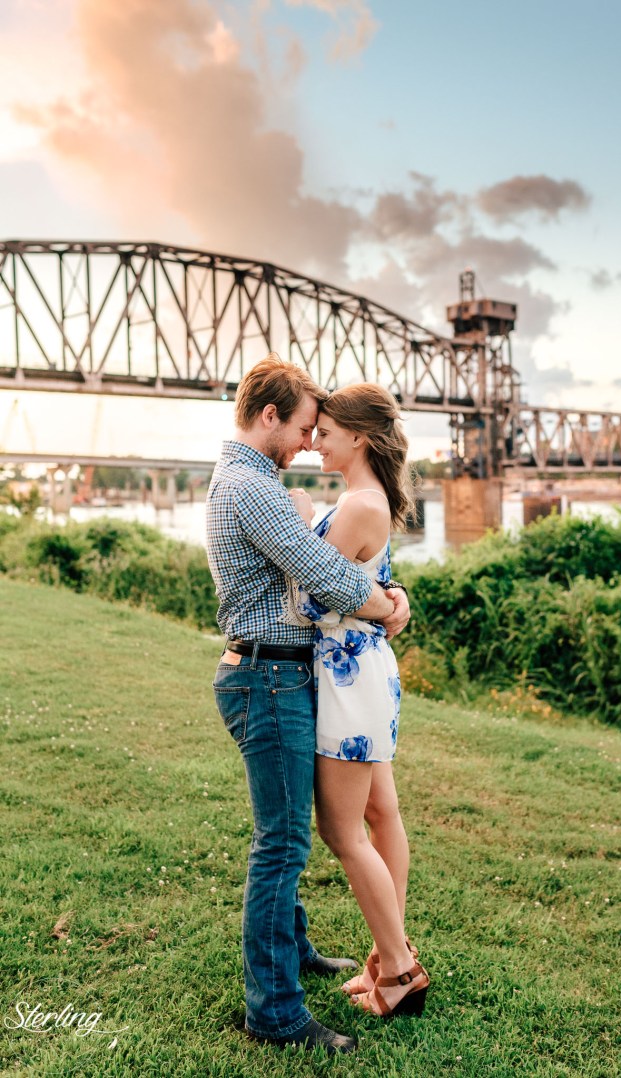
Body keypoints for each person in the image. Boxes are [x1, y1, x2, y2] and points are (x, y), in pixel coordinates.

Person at [206, 354, 410, 1056]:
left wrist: (386, 596)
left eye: (317, 431)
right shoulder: (252, 486)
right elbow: (323, 570)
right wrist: (389, 605)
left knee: (288, 834)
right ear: (269, 417)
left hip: (281, 671)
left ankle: (293, 954)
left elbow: (334, 562)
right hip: (268, 676)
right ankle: (276, 1014)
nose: (305, 441)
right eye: (300, 427)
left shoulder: (253, 481)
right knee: (284, 843)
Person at [291, 383, 430, 1020]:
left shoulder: (357, 506)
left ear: (359, 439)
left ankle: (399, 971)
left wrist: (292, 524)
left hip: (347, 680)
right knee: (381, 814)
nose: (314, 441)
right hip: (363, 671)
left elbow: (312, 599)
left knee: (342, 830)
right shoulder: (364, 500)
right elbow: (363, 581)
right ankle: (384, 955)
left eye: (325, 432)